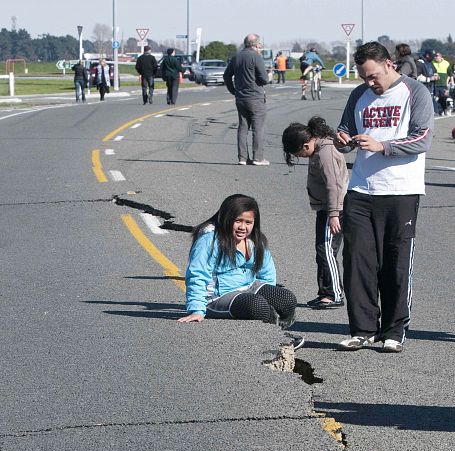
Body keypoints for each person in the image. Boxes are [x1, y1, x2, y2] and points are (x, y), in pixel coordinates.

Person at [335, 41, 434, 353]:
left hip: (401, 190)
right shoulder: (358, 95)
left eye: (374, 75)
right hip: (361, 189)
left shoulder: (415, 92)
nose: (370, 82)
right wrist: (343, 140)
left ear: (390, 64)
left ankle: (393, 331)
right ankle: (362, 329)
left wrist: (383, 146)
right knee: (358, 263)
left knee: (395, 264)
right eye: (364, 77)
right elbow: (345, 131)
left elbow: (422, 138)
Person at [177, 194, 297, 327]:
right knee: (257, 306)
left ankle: (270, 313)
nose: (242, 227)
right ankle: (274, 324)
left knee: (287, 299)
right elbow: (197, 275)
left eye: (248, 222)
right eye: (238, 221)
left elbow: (267, 272)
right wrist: (197, 309)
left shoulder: (255, 240)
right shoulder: (209, 241)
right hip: (218, 297)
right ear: (226, 219)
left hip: (249, 287)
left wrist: (271, 298)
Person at [282, 116, 348, 310]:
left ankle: (334, 294)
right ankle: (325, 293)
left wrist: (334, 213)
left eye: (298, 153)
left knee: (326, 250)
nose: (300, 157)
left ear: (305, 144)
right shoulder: (317, 150)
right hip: (326, 208)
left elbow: (333, 184)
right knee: (322, 251)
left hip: (334, 209)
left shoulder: (325, 152)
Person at [223, 34, 269, 166]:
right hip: (255, 97)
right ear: (256, 44)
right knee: (258, 128)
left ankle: (242, 158)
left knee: (243, 127)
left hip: (241, 97)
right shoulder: (256, 56)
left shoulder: (236, 56)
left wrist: (233, 90)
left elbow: (227, 75)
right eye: (259, 44)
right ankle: (258, 158)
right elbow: (264, 79)